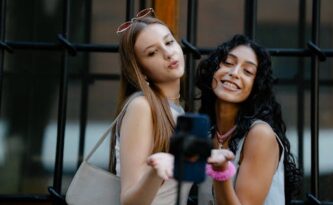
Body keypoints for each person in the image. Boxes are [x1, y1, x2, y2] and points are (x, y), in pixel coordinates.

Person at [196, 34, 302, 205]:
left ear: (256, 86)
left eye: (248, 71)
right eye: (228, 63)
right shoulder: (208, 133)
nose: (234, 73)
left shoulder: (260, 135)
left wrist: (221, 172)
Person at [109, 8, 192, 205]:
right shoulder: (142, 107)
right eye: (153, 53)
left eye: (169, 42)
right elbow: (130, 201)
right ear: (141, 70)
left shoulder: (176, 109)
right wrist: (156, 171)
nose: (168, 53)